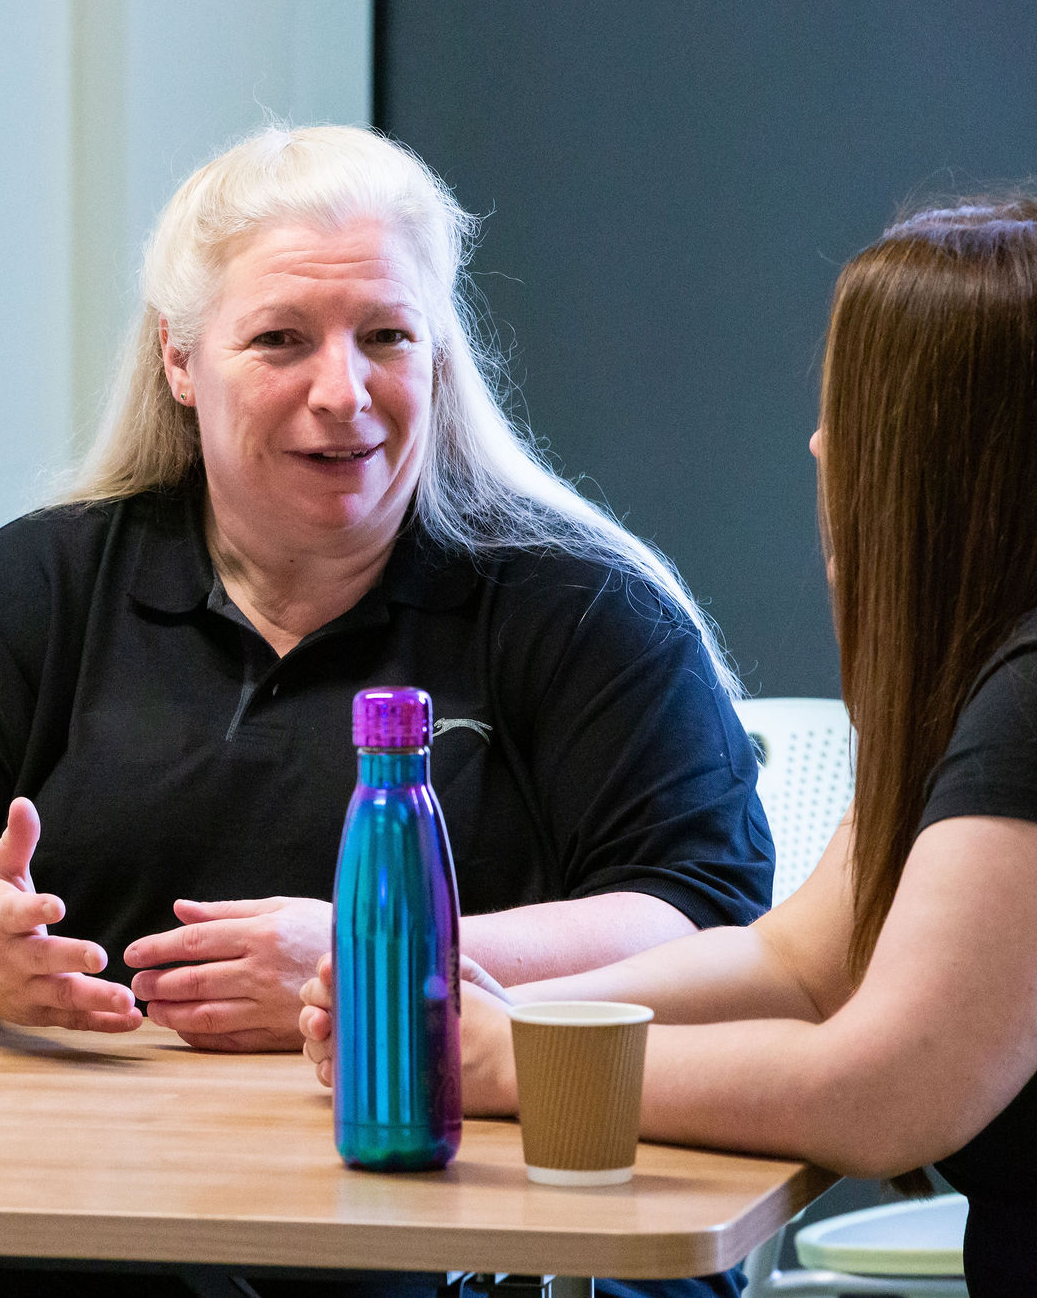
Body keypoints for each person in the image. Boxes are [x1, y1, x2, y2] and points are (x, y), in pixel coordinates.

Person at [0, 126, 769, 1298]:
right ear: (179, 360)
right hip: (81, 1219)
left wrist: (377, 960)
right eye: (280, 341)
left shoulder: (578, 610)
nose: (342, 393)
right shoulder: (40, 586)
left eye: (386, 338)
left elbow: (702, 923)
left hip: (469, 1220)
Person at [302, 199, 1037, 1295]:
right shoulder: (985, 684)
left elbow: (883, 1088)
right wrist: (474, 1008)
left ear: (936, 450)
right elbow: (792, 966)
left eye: (848, 407)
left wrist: (510, 1063)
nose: (818, 443)